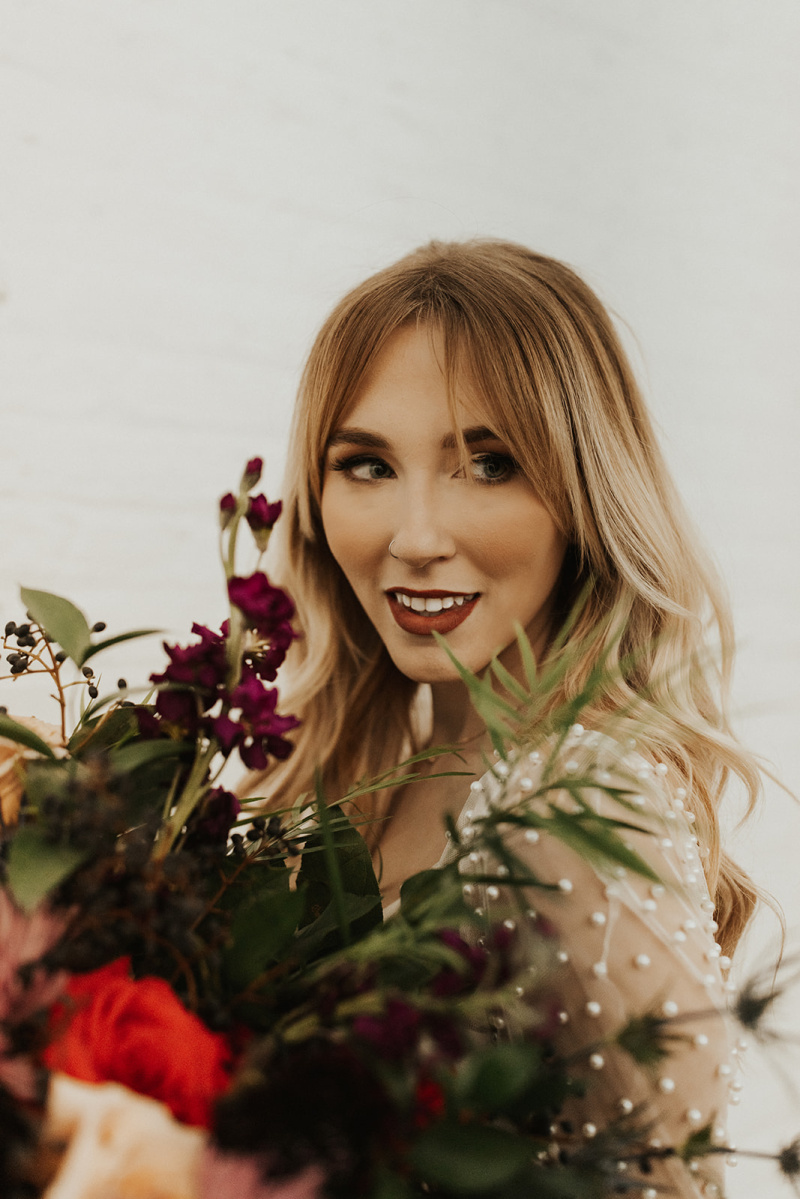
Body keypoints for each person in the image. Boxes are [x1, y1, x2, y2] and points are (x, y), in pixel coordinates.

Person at [244, 240, 761, 1196]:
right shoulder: (355, 790)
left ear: (585, 494)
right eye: (367, 464)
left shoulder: (575, 796)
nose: (417, 536)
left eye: (489, 464)